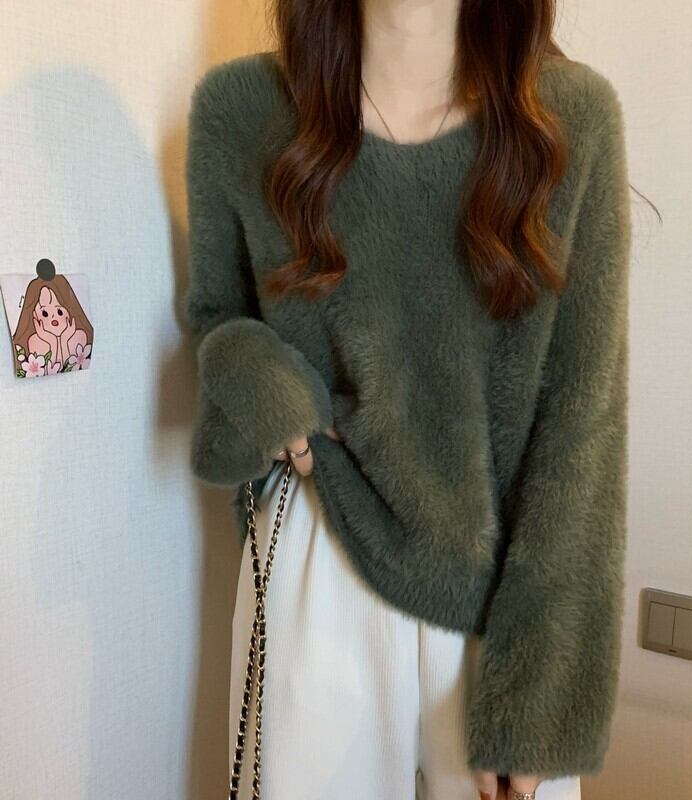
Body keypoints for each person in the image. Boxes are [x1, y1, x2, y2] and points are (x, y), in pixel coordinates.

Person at [181, 1, 633, 798]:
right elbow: (218, 316)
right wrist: (266, 383)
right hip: (320, 564)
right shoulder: (240, 111)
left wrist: (541, 700)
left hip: (503, 602)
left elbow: (582, 430)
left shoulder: (572, 120)